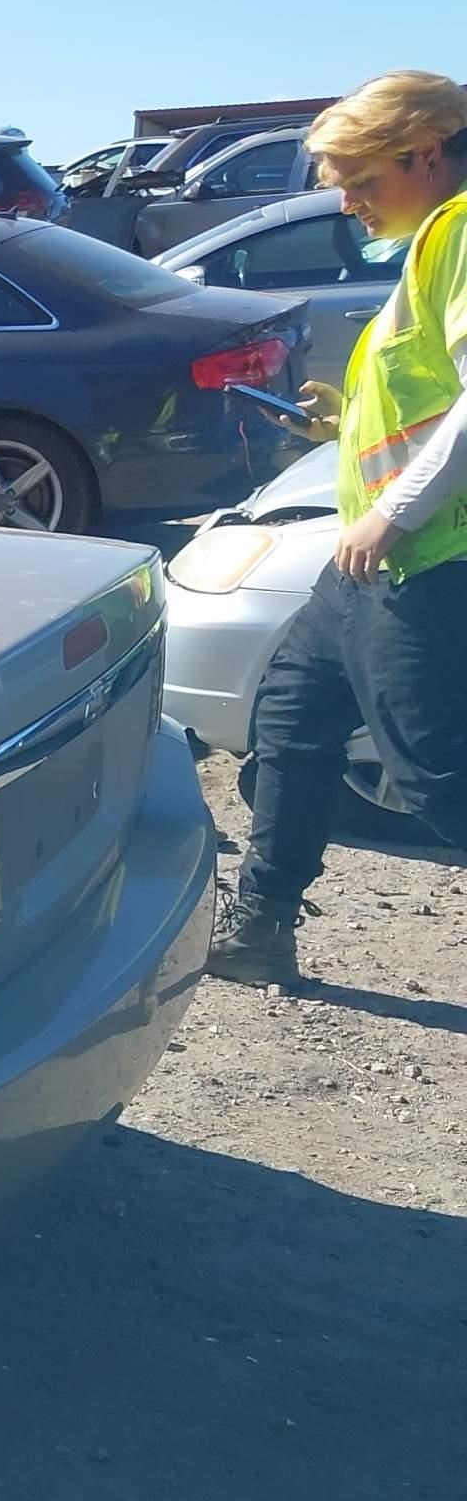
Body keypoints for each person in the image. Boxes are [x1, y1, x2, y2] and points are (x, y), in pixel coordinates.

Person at [206, 70, 467, 986]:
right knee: (292, 720)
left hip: (427, 561)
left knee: (439, 777)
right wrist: (340, 423)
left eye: (360, 178)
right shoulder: (430, 243)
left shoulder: (462, 228)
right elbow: (430, 401)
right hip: (370, 563)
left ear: (425, 152)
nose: (347, 201)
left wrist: (394, 511)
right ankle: (259, 927)